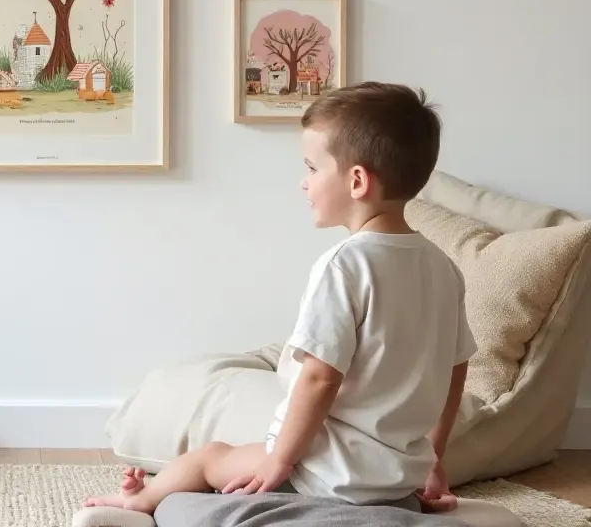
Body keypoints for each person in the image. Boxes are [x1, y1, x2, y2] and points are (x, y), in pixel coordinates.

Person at [85, 82, 476, 515]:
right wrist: (434, 460)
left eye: (311, 168)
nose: (303, 183)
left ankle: (140, 502)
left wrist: (281, 460)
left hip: (326, 469)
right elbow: (455, 371)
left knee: (210, 456)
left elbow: (319, 377)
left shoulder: (345, 265)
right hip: (396, 475)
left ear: (358, 180)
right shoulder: (444, 268)